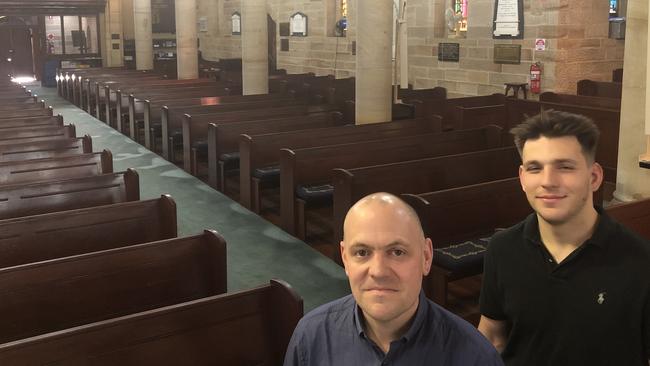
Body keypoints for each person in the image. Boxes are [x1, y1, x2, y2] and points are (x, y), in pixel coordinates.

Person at [478, 110, 650, 365]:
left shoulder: (639, 260)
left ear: (594, 177)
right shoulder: (502, 249)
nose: (548, 181)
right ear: (523, 179)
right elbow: (492, 337)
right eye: (535, 168)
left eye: (565, 167)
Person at [284, 192, 503, 366]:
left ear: (426, 257)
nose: (378, 271)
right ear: (345, 259)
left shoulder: (475, 356)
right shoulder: (311, 337)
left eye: (397, 252)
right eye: (362, 252)